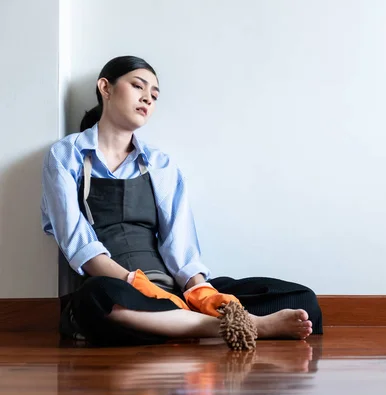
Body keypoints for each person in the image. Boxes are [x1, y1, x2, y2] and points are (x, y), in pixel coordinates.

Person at [41, 55, 322, 347]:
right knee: (97, 300)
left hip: (171, 288)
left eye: (154, 95)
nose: (147, 99)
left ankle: (187, 321)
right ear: (105, 88)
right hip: (116, 285)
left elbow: (180, 242)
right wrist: (136, 284)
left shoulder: (161, 164)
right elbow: (77, 244)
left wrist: (200, 290)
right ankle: (245, 326)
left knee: (302, 298)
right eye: (138, 86)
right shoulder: (66, 155)